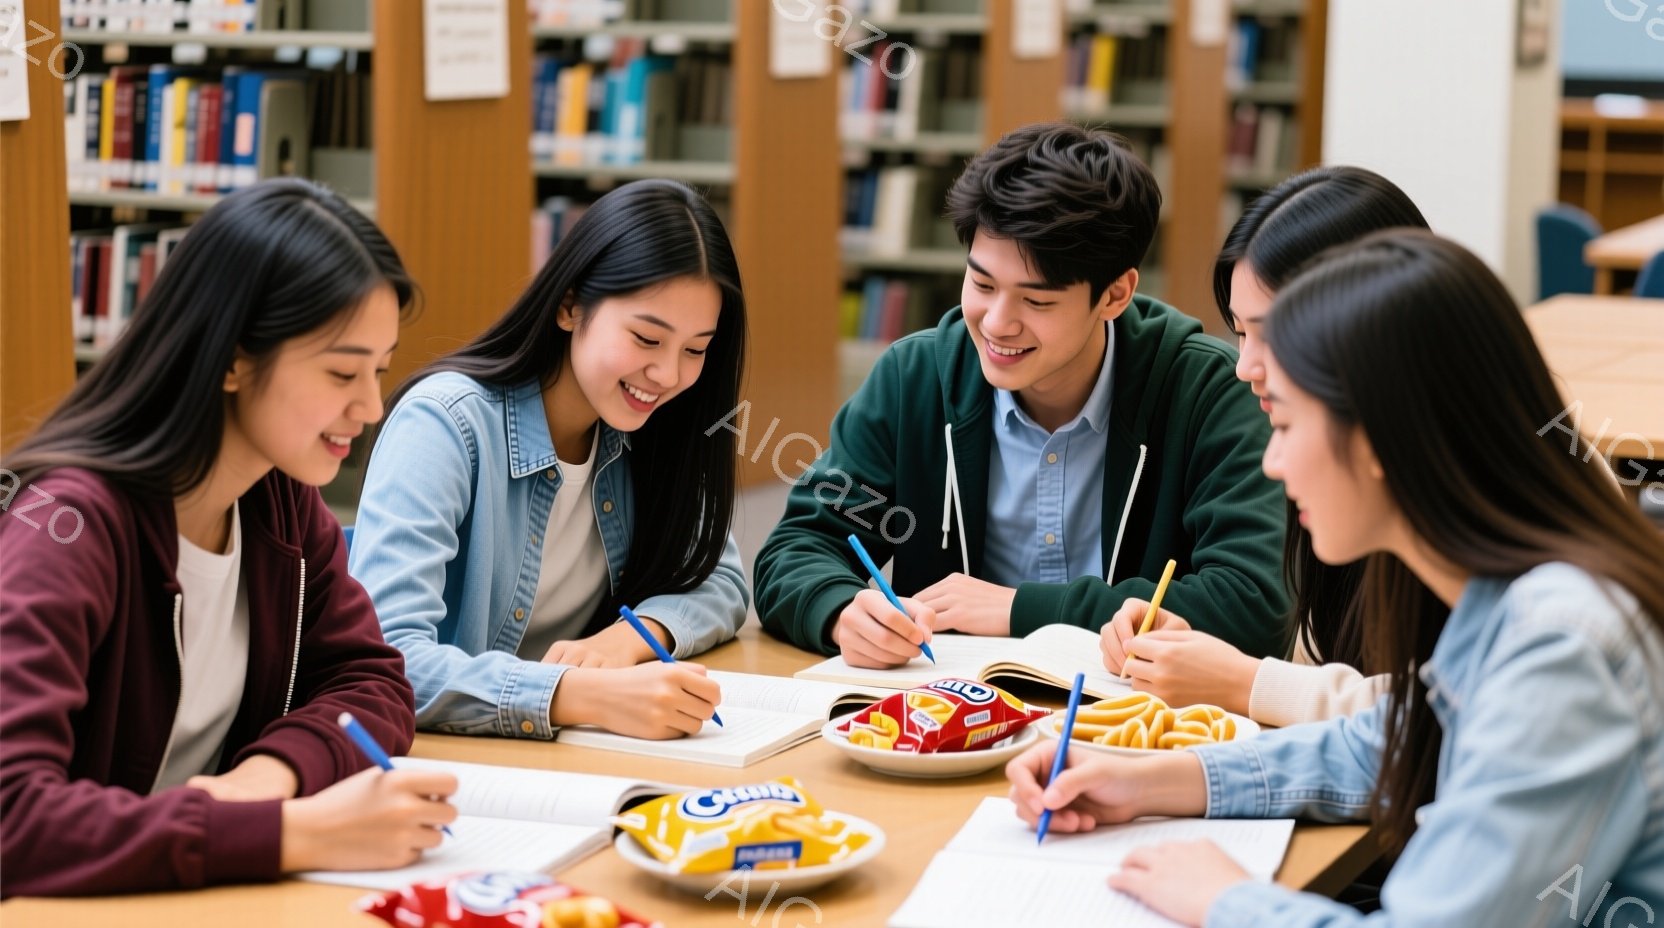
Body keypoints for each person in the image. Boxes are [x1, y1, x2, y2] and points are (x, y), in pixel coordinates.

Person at [1007, 229, 1664, 927]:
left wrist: (1225, 899)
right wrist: (1151, 780)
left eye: (1285, 423)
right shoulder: (1517, 594)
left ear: (1379, 436)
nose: (1272, 464)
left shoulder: (1560, 643)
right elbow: (1392, 740)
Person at [1, 180, 454, 897]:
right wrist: (294, 831)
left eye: (380, 371)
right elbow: (12, 822)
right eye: (342, 371)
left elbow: (372, 680)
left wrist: (262, 781)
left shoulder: (279, 501)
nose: (370, 407)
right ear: (234, 359)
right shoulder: (67, 529)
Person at [756, 122, 1289, 668]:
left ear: (1115, 295)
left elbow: (1253, 607)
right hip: (947, 716)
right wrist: (840, 609)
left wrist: (1021, 610)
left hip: (1128, 721)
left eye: (1036, 302)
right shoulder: (914, 379)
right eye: (982, 285)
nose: (997, 324)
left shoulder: (1207, 391)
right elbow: (798, 549)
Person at [350, 179, 748, 741]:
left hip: (570, 750)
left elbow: (721, 578)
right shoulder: (444, 425)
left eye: (695, 349)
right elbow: (387, 660)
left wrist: (631, 637)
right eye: (646, 338)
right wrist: (574, 693)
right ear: (569, 306)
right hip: (457, 766)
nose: (668, 375)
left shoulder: (654, 426)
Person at [1099, 166, 1433, 726]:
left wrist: (1242, 680)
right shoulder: (1348, 446)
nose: (1246, 367)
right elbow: (1339, 660)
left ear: (1367, 317)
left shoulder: (1474, 474)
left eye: (1271, 332)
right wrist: (1198, 653)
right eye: (1239, 332)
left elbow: (1448, 716)